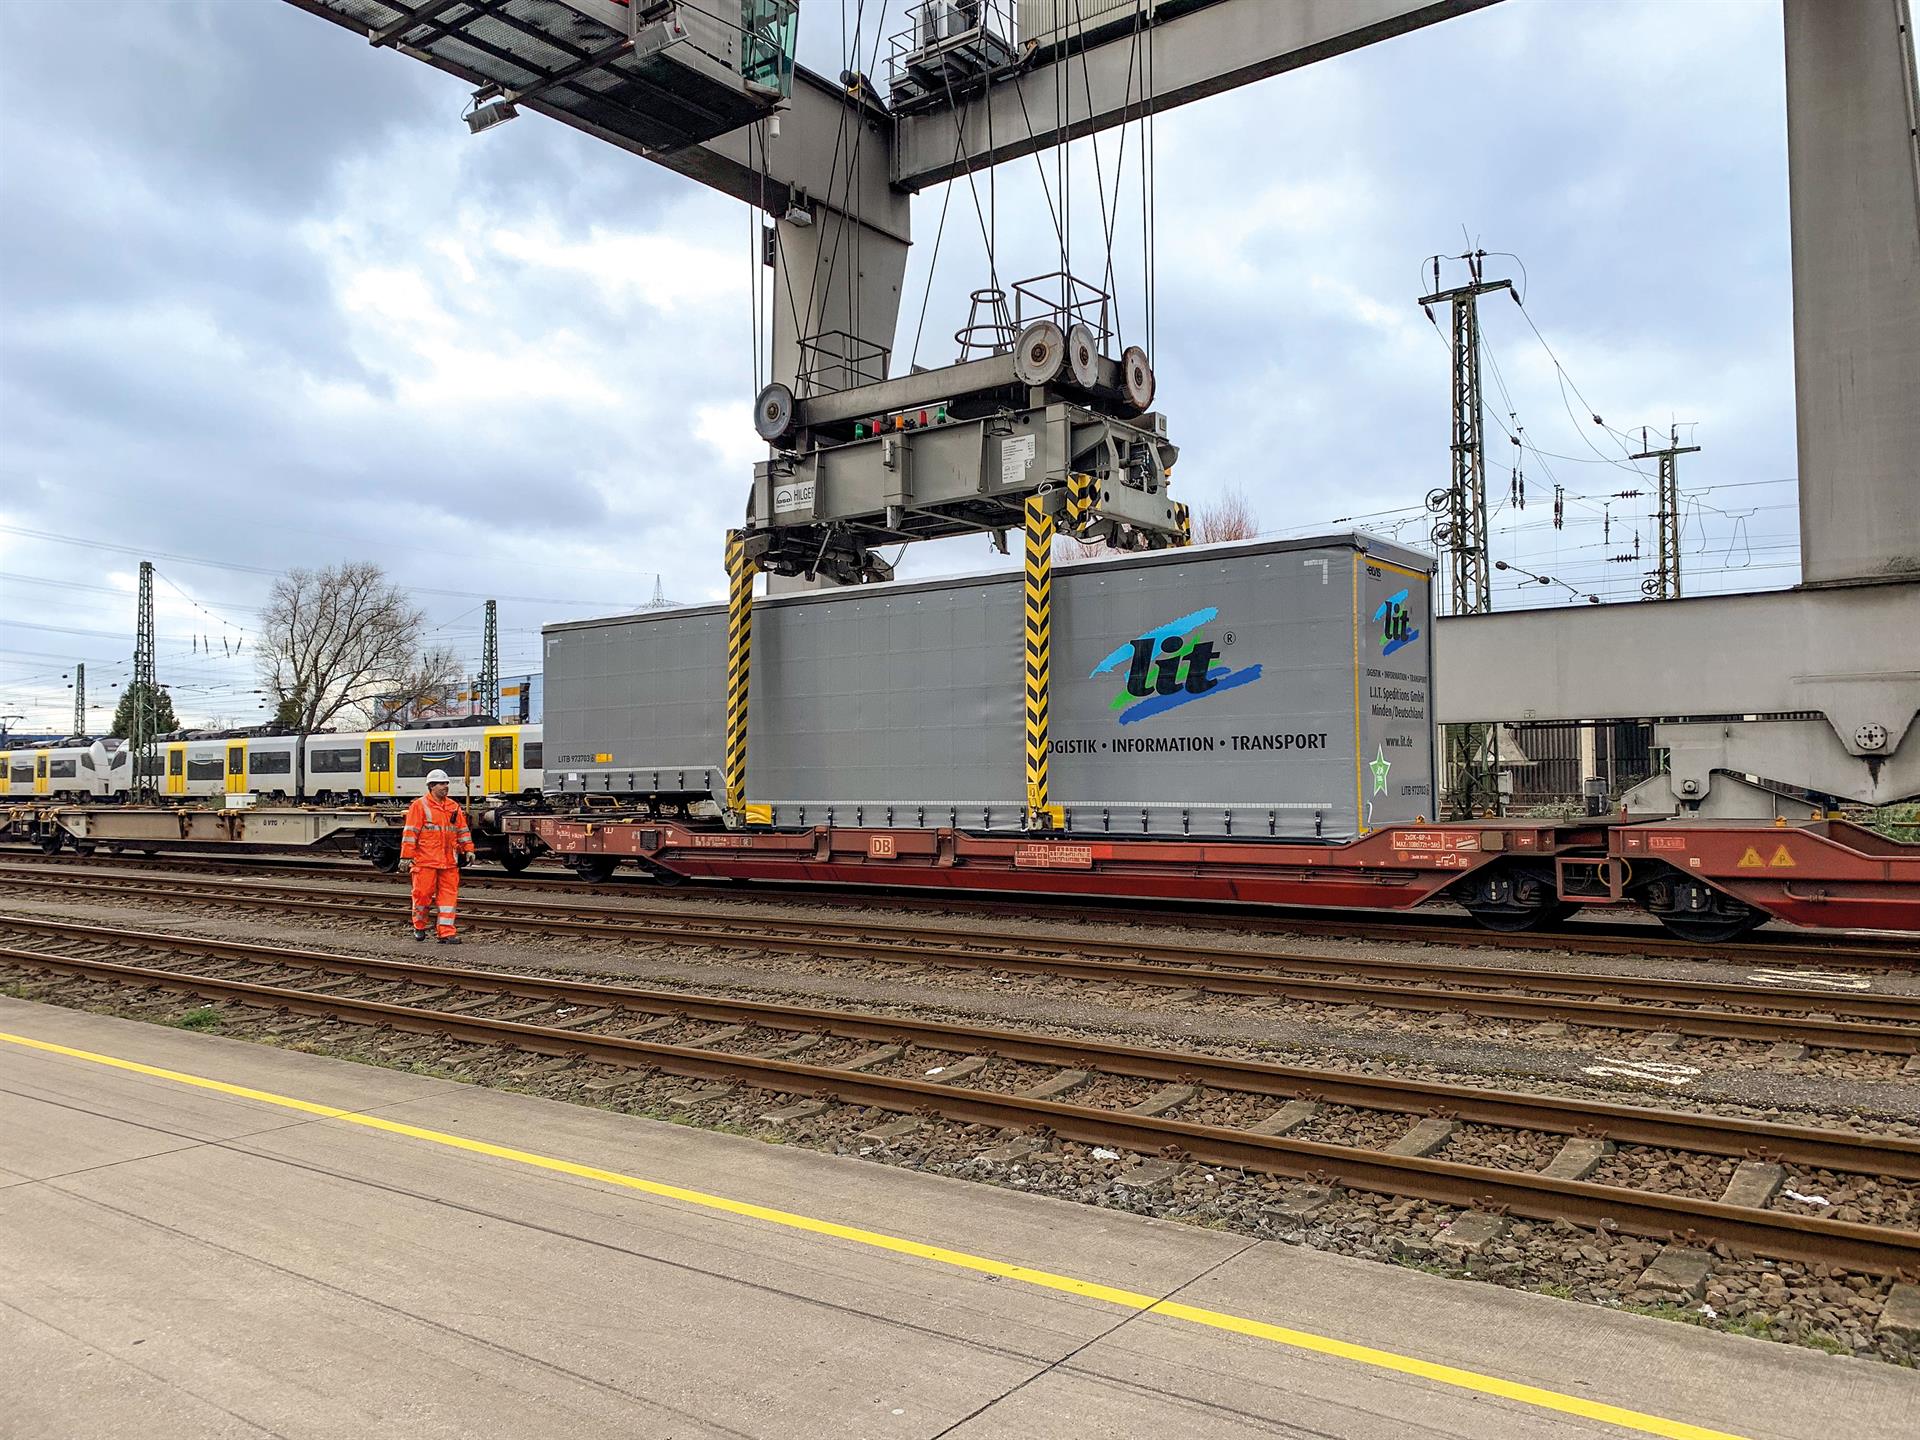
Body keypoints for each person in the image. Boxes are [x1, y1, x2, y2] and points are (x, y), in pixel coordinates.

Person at [399, 768, 475, 943]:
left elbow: (462, 831)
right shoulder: (419, 806)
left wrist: (468, 849)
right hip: (425, 861)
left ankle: (446, 933)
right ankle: (419, 926)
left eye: (446, 783)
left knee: (448, 899)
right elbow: (410, 833)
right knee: (422, 896)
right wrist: (405, 857)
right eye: (441, 784)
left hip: (449, 862)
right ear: (431, 786)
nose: (445, 787)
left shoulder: (453, 806)